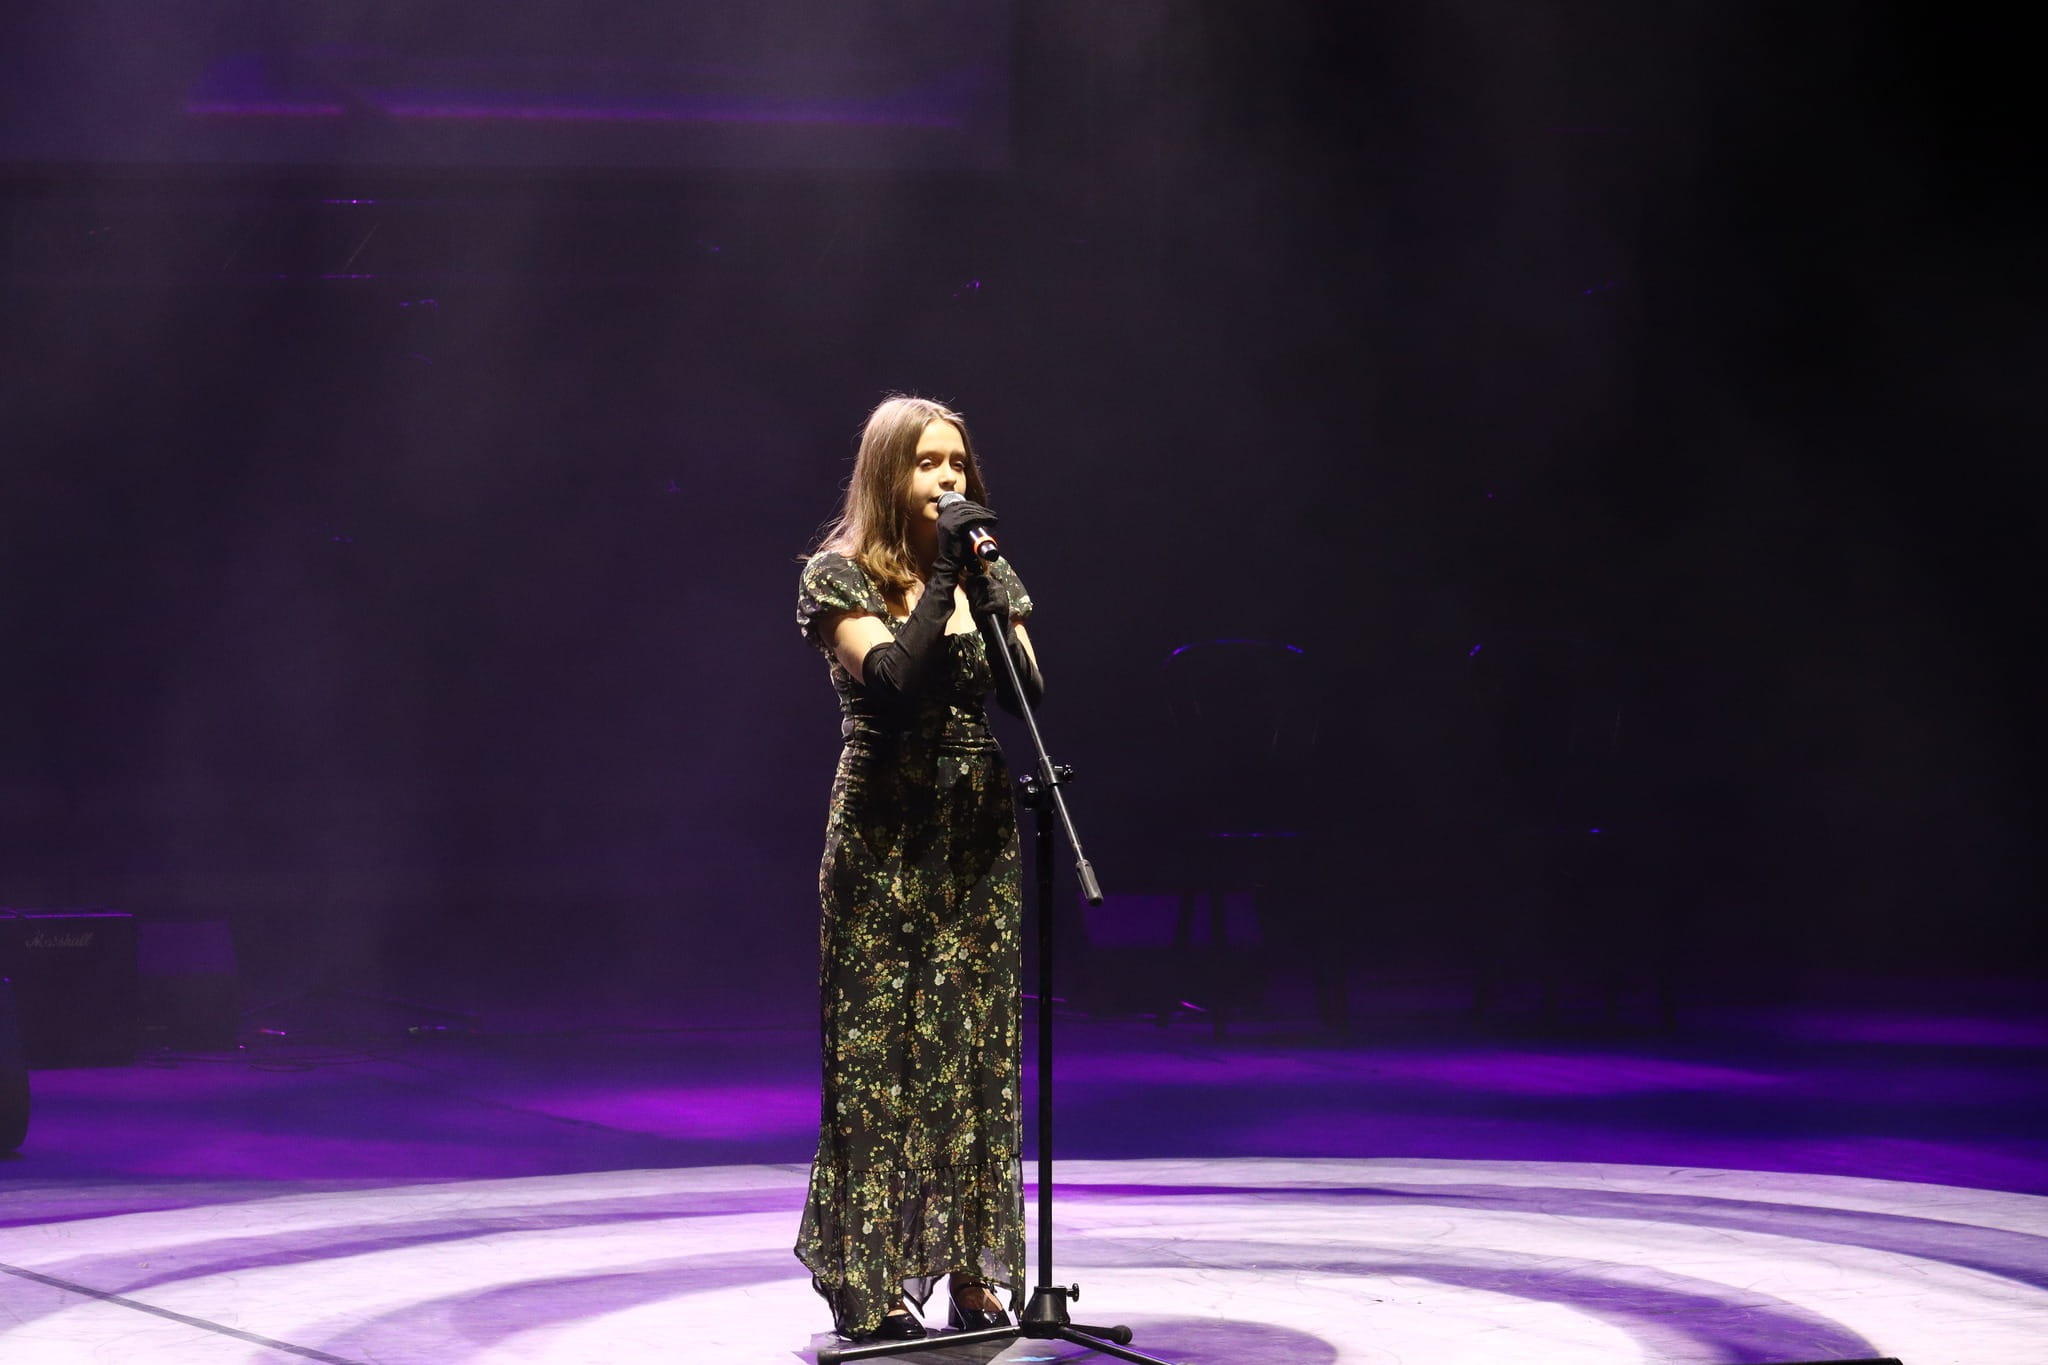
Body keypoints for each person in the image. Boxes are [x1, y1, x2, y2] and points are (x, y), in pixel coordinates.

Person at [792, 395, 1044, 1342]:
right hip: (882, 831)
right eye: (927, 462)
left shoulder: (985, 569)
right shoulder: (837, 574)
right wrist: (943, 577)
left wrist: (984, 585)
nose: (946, 477)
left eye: (957, 462)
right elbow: (893, 684)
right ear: (887, 472)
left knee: (972, 1052)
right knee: (880, 1058)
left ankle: (976, 1274)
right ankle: (874, 1286)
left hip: (976, 830)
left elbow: (1028, 691)